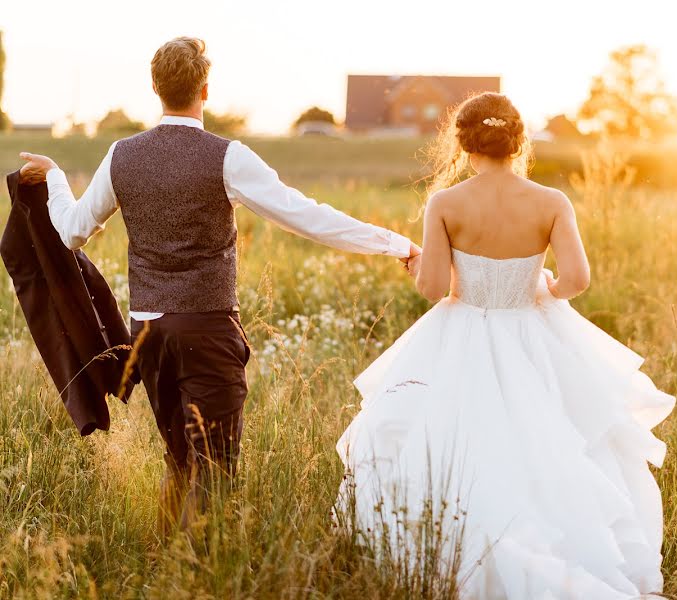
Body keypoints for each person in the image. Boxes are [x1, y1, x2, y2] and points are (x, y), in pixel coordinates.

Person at [18, 37, 419, 535]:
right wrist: (396, 243)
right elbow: (306, 217)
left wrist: (56, 176)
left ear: (155, 88)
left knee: (180, 462)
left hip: (147, 335)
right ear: (205, 89)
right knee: (215, 470)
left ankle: (167, 569)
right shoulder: (227, 156)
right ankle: (200, 574)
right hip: (206, 330)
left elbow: (73, 229)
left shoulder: (121, 155)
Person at [337, 92, 674, 598]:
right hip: (531, 330)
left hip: (461, 332)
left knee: (455, 440)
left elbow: (433, 288)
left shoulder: (445, 203)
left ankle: (446, 553)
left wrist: (423, 265)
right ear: (518, 142)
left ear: (463, 141)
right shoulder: (552, 202)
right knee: (552, 435)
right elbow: (577, 279)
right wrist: (544, 288)